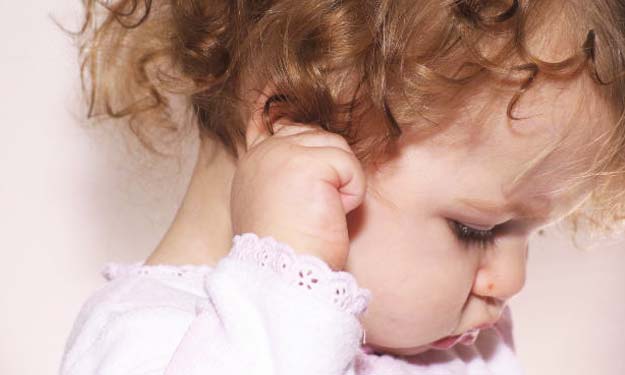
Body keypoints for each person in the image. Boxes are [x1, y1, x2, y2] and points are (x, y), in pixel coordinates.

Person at [59, 0, 625, 374]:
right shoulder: (138, 339)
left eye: (531, 233)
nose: (512, 282)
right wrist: (286, 283)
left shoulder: (454, 345)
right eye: (474, 229)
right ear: (296, 129)